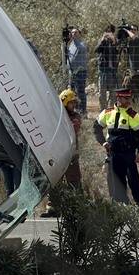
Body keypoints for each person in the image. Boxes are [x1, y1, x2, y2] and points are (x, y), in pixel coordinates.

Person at [93, 88, 139, 206]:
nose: (128, 101)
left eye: (129, 98)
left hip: (128, 154)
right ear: (118, 98)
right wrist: (103, 142)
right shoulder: (107, 113)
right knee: (115, 185)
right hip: (113, 154)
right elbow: (96, 128)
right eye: (126, 98)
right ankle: (120, 212)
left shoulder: (132, 115)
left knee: (134, 183)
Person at [41, 89, 83, 217]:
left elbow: (73, 127)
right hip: (56, 154)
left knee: (74, 181)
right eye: (71, 102)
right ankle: (52, 207)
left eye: (74, 103)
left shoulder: (75, 117)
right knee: (54, 181)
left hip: (70, 155)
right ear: (64, 102)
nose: (74, 105)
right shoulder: (54, 115)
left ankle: (77, 207)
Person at [123, 24, 139, 109]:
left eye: (134, 29)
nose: (132, 31)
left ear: (137, 31)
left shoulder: (138, 40)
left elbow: (134, 38)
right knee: (133, 90)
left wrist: (127, 31)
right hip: (133, 71)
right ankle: (136, 108)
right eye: (131, 29)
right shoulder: (129, 42)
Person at [96, 24, 119, 110]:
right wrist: (102, 39)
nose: (109, 33)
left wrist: (114, 40)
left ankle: (112, 109)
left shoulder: (114, 41)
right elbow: (97, 50)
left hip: (112, 70)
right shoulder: (102, 41)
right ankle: (103, 110)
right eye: (107, 31)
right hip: (103, 70)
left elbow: (118, 51)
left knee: (113, 92)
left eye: (111, 31)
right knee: (102, 92)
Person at [66, 27, 87, 115]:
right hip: (72, 72)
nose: (74, 34)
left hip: (80, 71)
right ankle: (73, 110)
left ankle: (82, 111)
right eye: (73, 33)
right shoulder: (71, 44)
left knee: (80, 91)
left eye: (76, 32)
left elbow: (81, 49)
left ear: (80, 34)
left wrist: (74, 38)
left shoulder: (82, 43)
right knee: (72, 91)